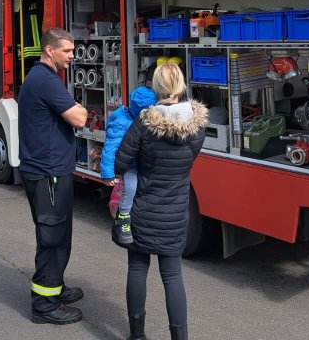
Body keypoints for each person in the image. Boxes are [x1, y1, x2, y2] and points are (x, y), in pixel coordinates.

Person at [114, 62, 209, 340]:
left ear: (155, 87)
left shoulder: (144, 123)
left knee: (137, 269)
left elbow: (121, 162)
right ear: (180, 87)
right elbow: (188, 159)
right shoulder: (197, 127)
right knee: (172, 276)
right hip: (176, 213)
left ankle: (137, 335)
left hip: (143, 210)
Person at [17, 27, 88, 325]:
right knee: (52, 237)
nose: (72, 56)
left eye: (72, 51)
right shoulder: (46, 81)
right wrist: (79, 108)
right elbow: (79, 118)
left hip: (52, 172)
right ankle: (44, 306)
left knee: (60, 234)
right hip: (48, 175)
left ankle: (54, 286)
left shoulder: (43, 77)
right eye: (67, 51)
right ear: (50, 50)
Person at [100, 86, 157, 245]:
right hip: (130, 164)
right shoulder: (120, 122)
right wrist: (108, 174)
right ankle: (124, 217)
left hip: (144, 162)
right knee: (131, 186)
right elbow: (110, 149)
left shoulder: (145, 118)